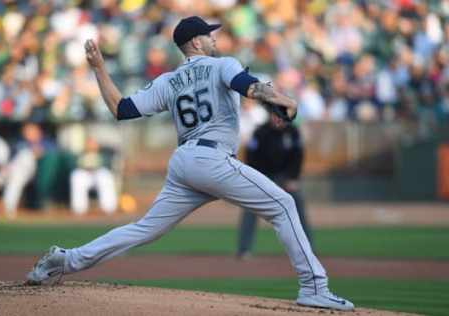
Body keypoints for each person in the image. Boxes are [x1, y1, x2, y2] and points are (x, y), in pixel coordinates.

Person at [26, 16, 354, 311]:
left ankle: (64, 260)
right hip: (211, 159)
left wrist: (99, 69)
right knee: (283, 204)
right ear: (197, 42)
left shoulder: (169, 80)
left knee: (142, 230)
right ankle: (315, 287)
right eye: (210, 35)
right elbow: (247, 86)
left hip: (184, 163)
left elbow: (121, 109)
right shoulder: (222, 63)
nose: (215, 39)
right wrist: (283, 99)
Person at [237, 113, 311, 259]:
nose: (278, 118)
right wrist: (255, 179)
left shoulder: (292, 132)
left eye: (282, 115)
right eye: (275, 114)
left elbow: (298, 156)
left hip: (285, 178)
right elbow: (250, 155)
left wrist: (293, 178)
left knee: (297, 204)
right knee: (249, 209)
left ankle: (308, 248)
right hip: (262, 177)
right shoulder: (260, 132)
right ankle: (244, 249)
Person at [2, 123, 56, 217]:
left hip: (30, 172)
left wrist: (40, 152)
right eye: (26, 131)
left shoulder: (46, 143)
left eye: (30, 131)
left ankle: (8, 208)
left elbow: (53, 153)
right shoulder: (20, 143)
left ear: (38, 132)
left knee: (16, 178)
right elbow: (10, 158)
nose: (27, 133)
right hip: (9, 170)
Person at [70, 137, 117, 215]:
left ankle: (108, 209)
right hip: (85, 175)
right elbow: (76, 166)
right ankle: (79, 209)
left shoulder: (103, 154)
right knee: (76, 176)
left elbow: (107, 165)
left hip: (98, 174)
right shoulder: (80, 155)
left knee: (105, 176)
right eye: (88, 144)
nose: (90, 146)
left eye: (93, 144)